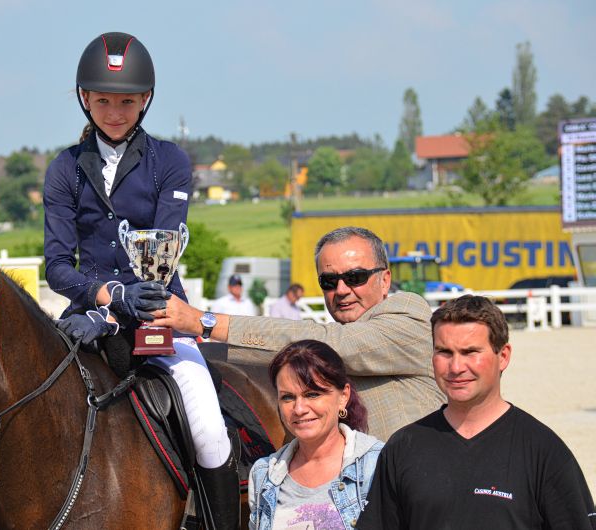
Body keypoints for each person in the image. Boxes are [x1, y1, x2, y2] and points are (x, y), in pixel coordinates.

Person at [44, 32, 238, 529]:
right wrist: (106, 299)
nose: (115, 112)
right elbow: (58, 266)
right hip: (85, 317)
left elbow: (161, 258)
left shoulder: (168, 162)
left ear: (146, 99)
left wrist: (121, 308)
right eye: (103, 101)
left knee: (209, 431)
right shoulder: (64, 169)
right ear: (85, 99)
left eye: (127, 101)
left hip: (160, 314)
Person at [152, 226, 445, 441]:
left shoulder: (409, 315)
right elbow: (262, 356)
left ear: (385, 280)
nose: (342, 290)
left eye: (355, 277)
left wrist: (203, 322)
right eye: (329, 281)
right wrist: (185, 350)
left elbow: (333, 345)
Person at [357, 295, 596, 530]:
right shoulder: (403, 447)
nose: (456, 367)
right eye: (444, 352)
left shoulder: (544, 451)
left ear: (503, 356)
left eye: (470, 352)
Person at [248, 340, 383, 530]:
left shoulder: (378, 463)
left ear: (343, 396)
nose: (299, 409)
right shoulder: (263, 475)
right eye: (288, 397)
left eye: (312, 394)